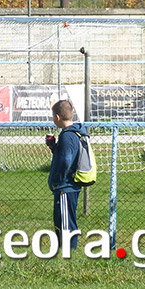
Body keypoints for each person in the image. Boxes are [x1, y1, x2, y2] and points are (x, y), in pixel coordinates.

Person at [47, 99, 87, 250]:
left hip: (65, 186)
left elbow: (66, 161)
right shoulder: (70, 134)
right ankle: (63, 251)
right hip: (66, 187)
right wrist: (53, 148)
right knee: (62, 221)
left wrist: (57, 181)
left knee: (66, 224)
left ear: (57, 117)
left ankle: (69, 253)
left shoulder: (67, 136)